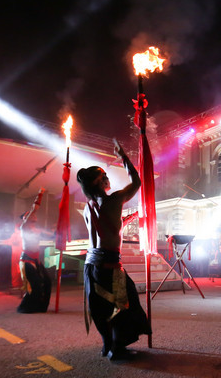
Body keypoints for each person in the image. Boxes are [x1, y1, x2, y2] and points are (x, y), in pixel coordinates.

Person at [77, 140, 151, 361]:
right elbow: (137, 182)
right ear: (101, 182)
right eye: (104, 176)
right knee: (124, 303)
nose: (109, 179)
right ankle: (117, 349)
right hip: (109, 264)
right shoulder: (115, 199)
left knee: (101, 307)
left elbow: (105, 227)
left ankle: (107, 344)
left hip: (92, 265)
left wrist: (126, 218)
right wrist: (123, 156)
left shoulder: (87, 208)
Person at [17, 189, 52, 313]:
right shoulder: (24, 227)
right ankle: (25, 307)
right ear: (26, 218)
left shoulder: (36, 230)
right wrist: (40, 194)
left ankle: (42, 307)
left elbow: (51, 235)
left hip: (36, 260)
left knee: (47, 282)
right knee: (35, 286)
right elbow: (34, 208)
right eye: (30, 214)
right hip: (27, 260)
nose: (33, 214)